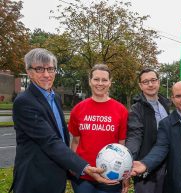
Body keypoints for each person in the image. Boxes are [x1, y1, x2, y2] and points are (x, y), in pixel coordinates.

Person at [11, 48, 116, 193]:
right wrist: (83, 167)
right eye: (39, 69)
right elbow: (50, 141)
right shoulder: (25, 102)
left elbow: (61, 137)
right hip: (35, 179)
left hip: (56, 177)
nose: (46, 74)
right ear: (29, 72)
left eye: (50, 69)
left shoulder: (55, 98)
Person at [68, 64, 129, 193]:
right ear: (90, 81)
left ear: (110, 82)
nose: (100, 83)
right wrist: (73, 166)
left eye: (104, 80)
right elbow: (75, 142)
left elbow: (121, 145)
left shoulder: (121, 110)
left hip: (110, 176)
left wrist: (125, 174)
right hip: (83, 175)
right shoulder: (78, 109)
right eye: (96, 79)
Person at [125, 68, 170, 193]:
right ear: (140, 85)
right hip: (145, 168)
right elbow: (134, 136)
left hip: (168, 166)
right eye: (145, 82)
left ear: (158, 82)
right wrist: (129, 162)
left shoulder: (166, 104)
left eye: (153, 80)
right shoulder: (136, 109)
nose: (150, 84)